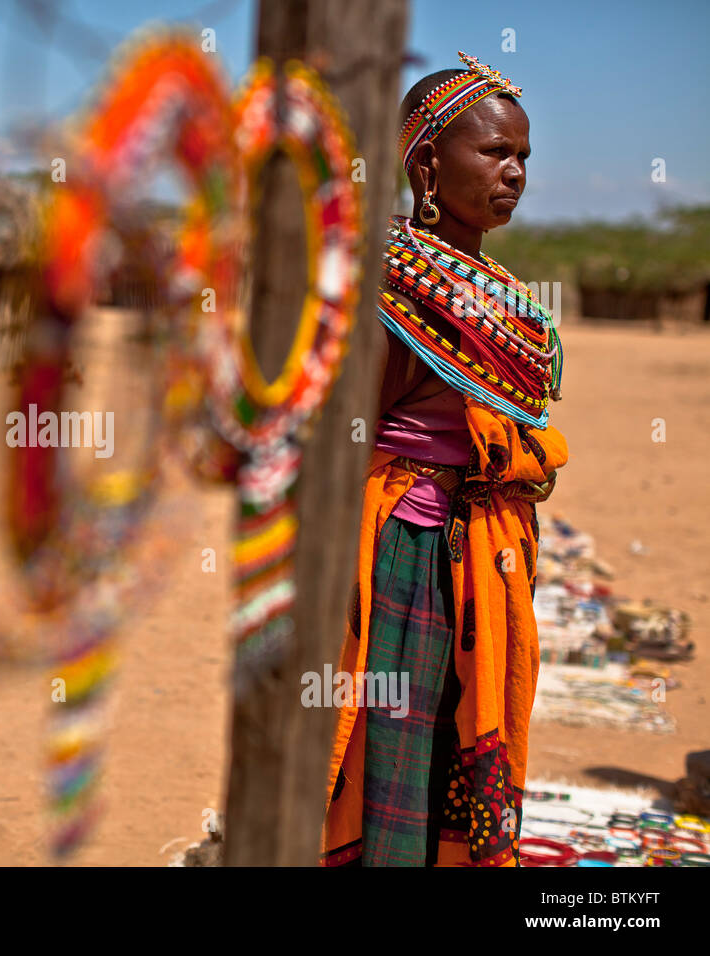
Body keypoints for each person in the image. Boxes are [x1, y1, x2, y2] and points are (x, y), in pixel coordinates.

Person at [321, 52, 568, 867]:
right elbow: (345, 438)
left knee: (462, 753)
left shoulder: (490, 285)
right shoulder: (390, 289)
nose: (515, 173)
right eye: (495, 152)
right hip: (407, 557)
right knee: (397, 753)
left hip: (482, 560)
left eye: (523, 156)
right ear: (427, 162)